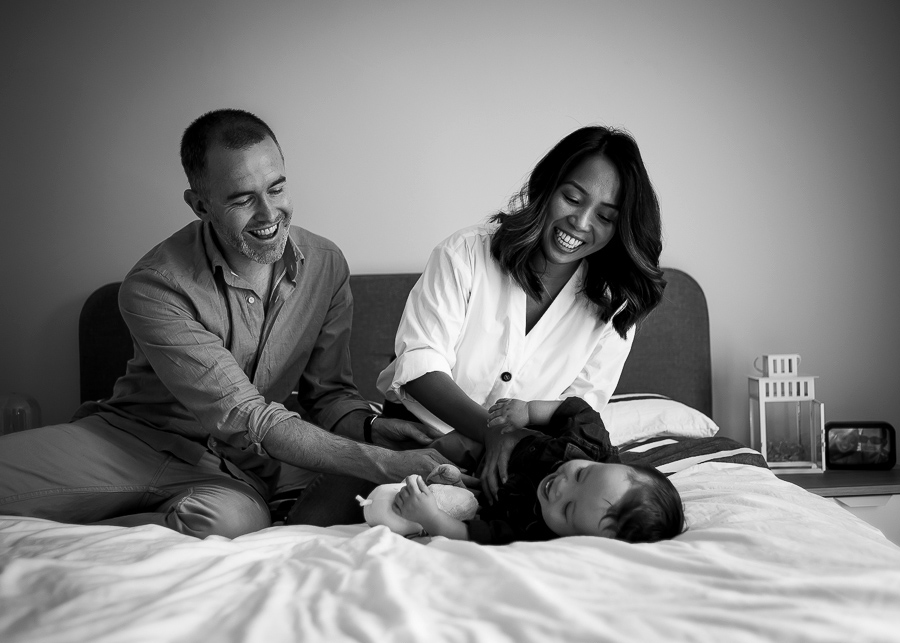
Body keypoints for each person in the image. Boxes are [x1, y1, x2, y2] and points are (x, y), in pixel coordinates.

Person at [0, 109, 453, 539]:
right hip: (128, 441)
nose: (269, 214)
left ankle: (103, 526)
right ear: (200, 204)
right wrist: (383, 463)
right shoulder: (153, 285)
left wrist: (372, 430)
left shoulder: (326, 264)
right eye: (242, 199)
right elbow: (245, 415)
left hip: (231, 470)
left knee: (232, 524)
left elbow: (329, 395)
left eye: (276, 188)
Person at [375, 125, 665, 503]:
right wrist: (492, 431)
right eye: (573, 198)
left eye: (605, 217)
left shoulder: (614, 304)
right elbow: (418, 366)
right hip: (412, 439)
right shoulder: (464, 254)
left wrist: (511, 444)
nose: (581, 222)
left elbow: (578, 411)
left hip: (517, 458)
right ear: (547, 186)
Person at [391, 397, 684, 544]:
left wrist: (431, 517)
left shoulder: (535, 532)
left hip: (494, 492)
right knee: (445, 443)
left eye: (568, 509)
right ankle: (392, 441)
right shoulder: (591, 444)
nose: (560, 487)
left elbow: (474, 535)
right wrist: (529, 411)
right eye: (582, 474)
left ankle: (464, 483)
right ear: (606, 463)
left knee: (449, 490)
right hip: (498, 442)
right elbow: (576, 410)